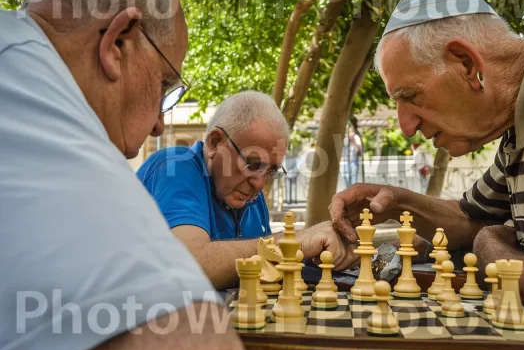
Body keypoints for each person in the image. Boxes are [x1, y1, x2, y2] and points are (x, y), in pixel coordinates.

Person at [330, 0, 524, 350]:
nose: (406, 127)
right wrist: (398, 203)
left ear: (468, 65)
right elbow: (468, 218)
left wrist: (490, 241)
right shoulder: (521, 127)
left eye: (410, 96)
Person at [0, 0, 246, 350]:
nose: (159, 126)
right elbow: (192, 340)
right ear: (117, 43)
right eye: (166, 84)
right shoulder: (34, 98)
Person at [137, 92, 359, 290]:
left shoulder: (248, 195)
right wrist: (296, 241)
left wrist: (318, 256)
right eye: (253, 164)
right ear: (215, 142)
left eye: (271, 171)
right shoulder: (173, 166)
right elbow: (188, 265)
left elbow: (261, 265)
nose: (260, 184)